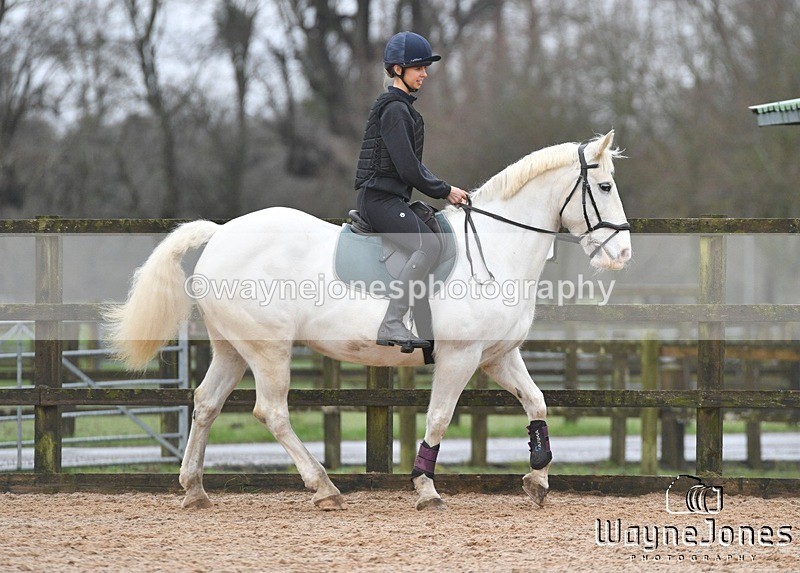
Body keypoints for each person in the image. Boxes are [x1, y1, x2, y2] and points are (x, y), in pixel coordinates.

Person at [354, 31, 469, 351]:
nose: (425, 73)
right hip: (378, 199)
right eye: (418, 67)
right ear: (397, 69)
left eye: (425, 67)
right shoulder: (394, 109)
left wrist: (445, 188)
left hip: (390, 197)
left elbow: (411, 168)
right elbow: (408, 169)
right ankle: (392, 322)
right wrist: (445, 190)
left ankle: (426, 328)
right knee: (429, 245)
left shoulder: (402, 108)